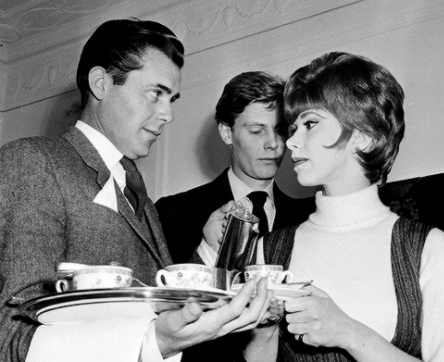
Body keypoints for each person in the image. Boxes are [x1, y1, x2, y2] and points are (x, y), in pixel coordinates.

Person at [0, 19, 275, 362]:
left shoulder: (134, 186)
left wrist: (208, 251)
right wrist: (153, 343)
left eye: (171, 98)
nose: (167, 114)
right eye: (155, 93)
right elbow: (11, 336)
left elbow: (156, 305)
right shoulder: (34, 161)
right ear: (101, 83)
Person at [245, 52, 444, 361]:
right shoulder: (269, 250)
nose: (290, 142)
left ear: (365, 137)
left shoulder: (427, 249)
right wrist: (261, 333)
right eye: (293, 127)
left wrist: (349, 332)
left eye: (310, 124)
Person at [155, 71, 315, 265]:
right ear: (226, 133)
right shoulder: (175, 213)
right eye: (256, 131)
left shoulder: (310, 215)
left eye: (280, 130)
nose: (272, 143)